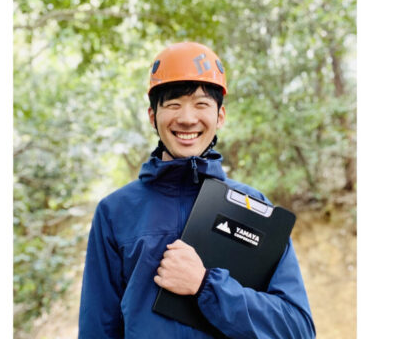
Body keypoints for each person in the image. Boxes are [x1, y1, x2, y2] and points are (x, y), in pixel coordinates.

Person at [78, 42, 316, 338]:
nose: (188, 118)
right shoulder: (115, 212)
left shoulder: (254, 207)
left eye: (201, 104)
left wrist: (206, 286)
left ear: (220, 116)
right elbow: (97, 329)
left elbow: (297, 329)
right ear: (153, 117)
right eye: (174, 104)